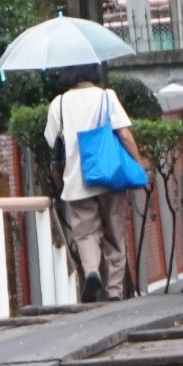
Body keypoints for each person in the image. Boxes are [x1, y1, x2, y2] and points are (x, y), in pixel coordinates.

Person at [44, 64, 143, 301]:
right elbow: (125, 135)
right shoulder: (106, 97)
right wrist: (138, 164)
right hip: (110, 176)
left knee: (86, 233)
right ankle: (115, 292)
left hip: (77, 180)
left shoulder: (58, 103)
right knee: (115, 234)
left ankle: (91, 273)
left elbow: (51, 142)